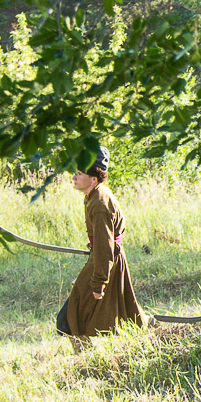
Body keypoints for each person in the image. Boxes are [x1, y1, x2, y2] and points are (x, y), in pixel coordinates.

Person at [61, 146, 145, 353]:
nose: (73, 178)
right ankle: (149, 329)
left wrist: (98, 282)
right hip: (105, 258)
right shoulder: (95, 194)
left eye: (79, 173)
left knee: (68, 318)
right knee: (126, 310)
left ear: (93, 178)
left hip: (107, 259)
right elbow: (100, 245)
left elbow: (104, 246)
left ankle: (85, 359)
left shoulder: (99, 203)